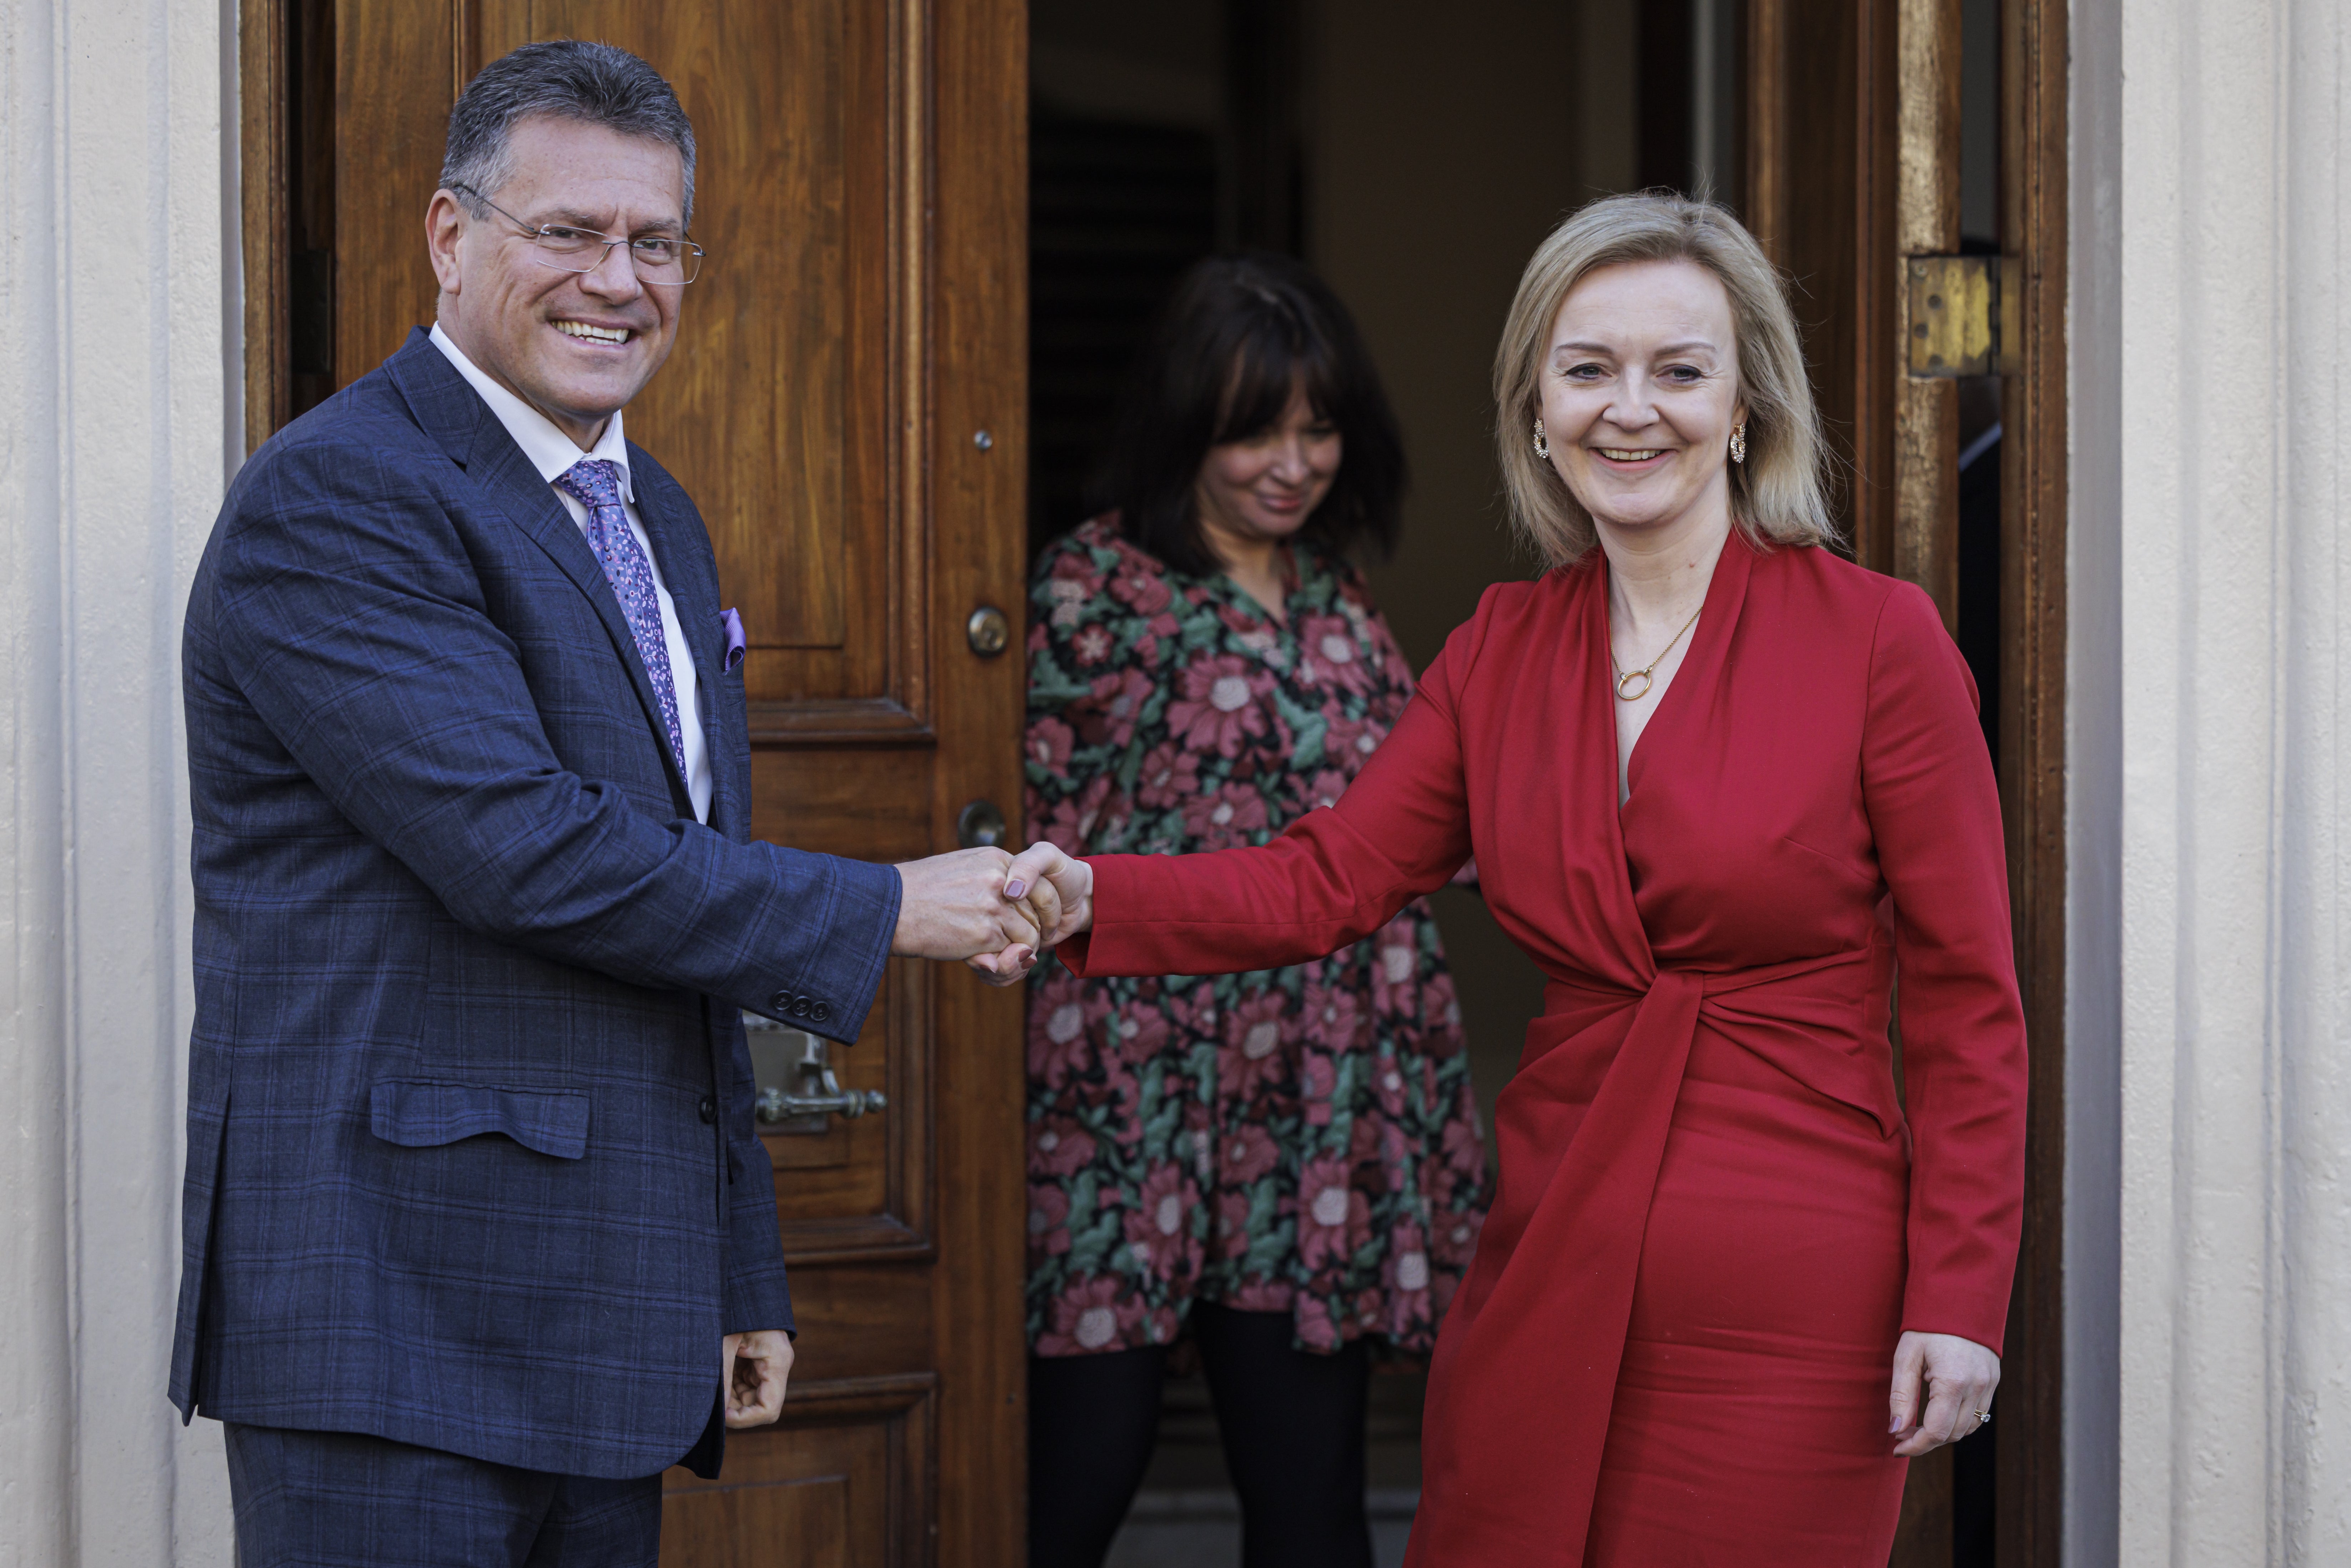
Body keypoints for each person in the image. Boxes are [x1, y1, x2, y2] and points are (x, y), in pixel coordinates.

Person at [1002, 192, 2029, 1566]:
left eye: (1679, 370)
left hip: (1794, 1292)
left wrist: (1958, 1298)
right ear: (1536, 410)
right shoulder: (1498, 649)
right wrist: (1093, 897)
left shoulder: (1877, 641)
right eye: (1586, 368)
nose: (1630, 409)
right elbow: (1326, 882)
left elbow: (1968, 1004)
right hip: (1550, 1252)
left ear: (1744, 409)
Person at [173, 41, 1041, 1566]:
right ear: (451, 240)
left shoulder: (658, 515)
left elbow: (679, 894)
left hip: (609, 1320)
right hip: (393, 1319)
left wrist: (734, 1265)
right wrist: (888, 905)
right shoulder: (339, 497)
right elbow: (529, 853)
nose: (618, 280)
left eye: (655, 242)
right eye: (567, 232)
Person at [1020, 255, 1490, 1568]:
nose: (1292, 464)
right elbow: (1023, 829)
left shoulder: (1337, 598)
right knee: (1078, 1482)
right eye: (1253, 432)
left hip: (1314, 1103)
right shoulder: (1092, 590)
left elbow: (1417, 820)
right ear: (1186, 430)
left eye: (1318, 428)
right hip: (1132, 1095)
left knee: (1311, 1506)